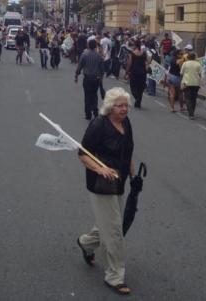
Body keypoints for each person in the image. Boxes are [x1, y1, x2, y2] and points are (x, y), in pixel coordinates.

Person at [76, 87, 134, 296]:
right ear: (110, 107)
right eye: (120, 105)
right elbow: (82, 154)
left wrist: (132, 172)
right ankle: (115, 276)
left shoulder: (125, 122)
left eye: (126, 105)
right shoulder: (98, 124)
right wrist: (100, 168)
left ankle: (85, 242)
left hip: (119, 181)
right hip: (102, 184)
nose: (124, 109)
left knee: (111, 224)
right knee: (114, 232)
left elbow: (128, 149)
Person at [75, 40, 104, 120]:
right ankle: (95, 112)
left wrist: (76, 75)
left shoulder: (84, 55)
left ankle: (88, 114)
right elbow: (102, 69)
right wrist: (101, 78)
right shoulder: (99, 56)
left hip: (87, 78)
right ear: (95, 46)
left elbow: (79, 66)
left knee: (87, 96)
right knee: (94, 95)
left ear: (88, 46)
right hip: (96, 79)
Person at [125, 42, 148, 109]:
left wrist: (127, 71)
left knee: (133, 87)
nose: (132, 47)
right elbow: (147, 62)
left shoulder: (132, 54)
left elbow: (129, 63)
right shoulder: (144, 53)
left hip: (134, 73)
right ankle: (138, 103)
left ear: (135, 46)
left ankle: (136, 98)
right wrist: (146, 69)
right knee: (140, 88)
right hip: (143, 73)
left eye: (133, 46)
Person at [180, 52, 201, 119]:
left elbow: (181, 73)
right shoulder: (198, 64)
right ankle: (192, 112)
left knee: (187, 98)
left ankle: (190, 113)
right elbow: (200, 74)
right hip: (196, 83)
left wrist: (182, 81)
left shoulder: (185, 63)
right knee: (193, 98)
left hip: (187, 83)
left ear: (188, 57)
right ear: (194, 57)